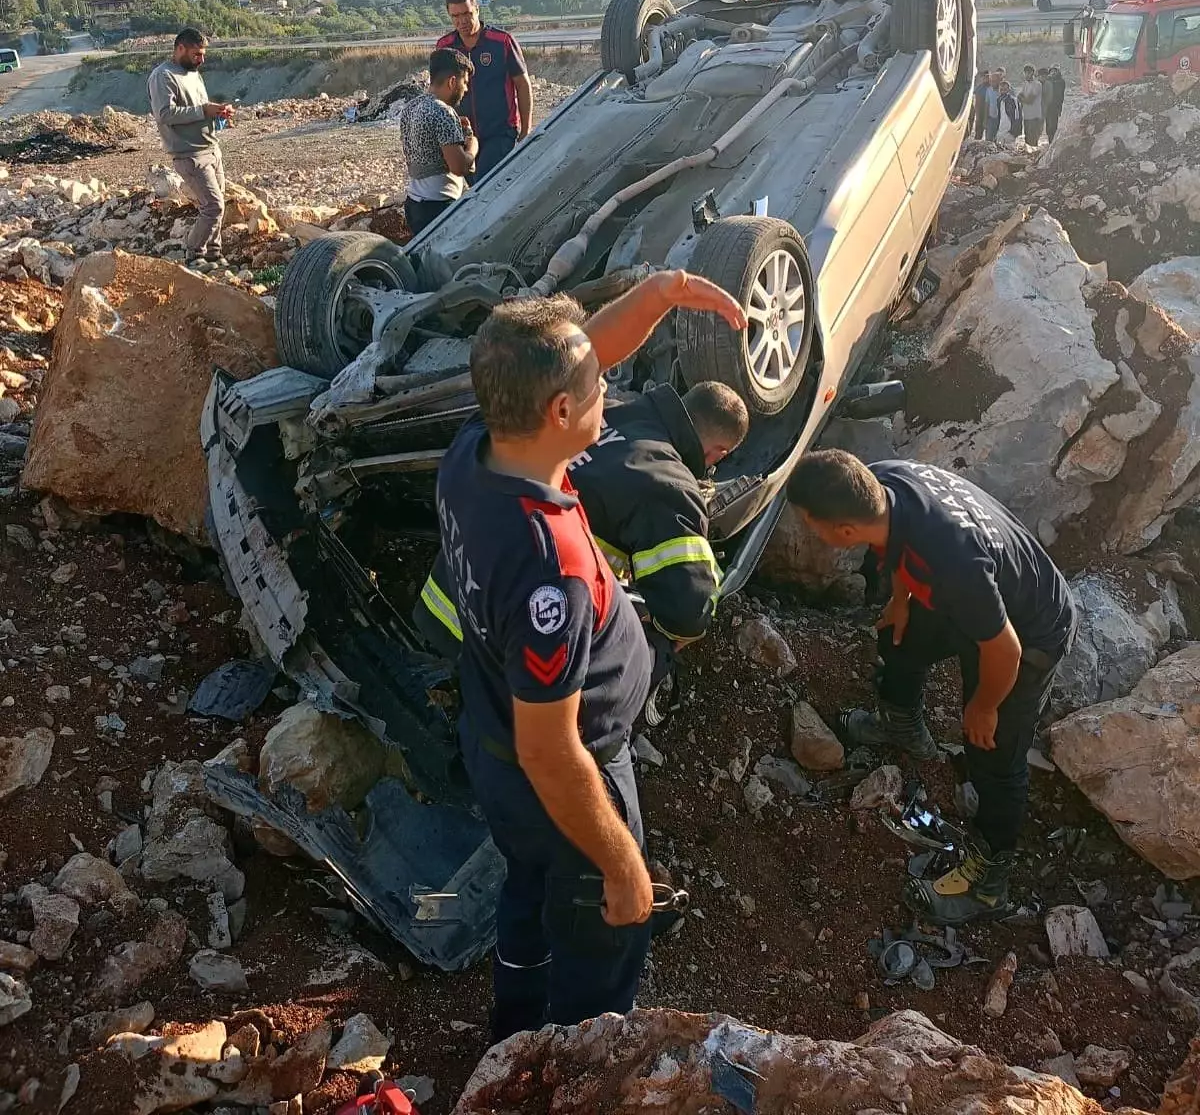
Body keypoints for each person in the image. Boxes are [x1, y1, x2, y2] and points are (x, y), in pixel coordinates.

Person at [437, 271, 745, 1039]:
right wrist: (621, 864)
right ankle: (576, 1056)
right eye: (597, 387)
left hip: (487, 731)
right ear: (563, 411)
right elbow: (553, 753)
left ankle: (512, 1033)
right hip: (565, 769)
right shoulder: (551, 570)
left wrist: (661, 297)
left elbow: (579, 359)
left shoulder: (478, 446)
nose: (610, 394)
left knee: (526, 887)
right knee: (602, 927)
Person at [785, 451, 1076, 925]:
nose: (808, 531)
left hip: (1030, 630)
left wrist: (984, 706)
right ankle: (903, 728)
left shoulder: (954, 561)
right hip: (980, 604)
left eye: (809, 524)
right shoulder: (881, 481)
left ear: (842, 532)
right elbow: (898, 548)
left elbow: (1006, 652)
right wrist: (902, 600)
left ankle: (989, 883)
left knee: (992, 750)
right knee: (898, 635)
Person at [418, 378, 750, 718]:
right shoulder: (670, 486)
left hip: (447, 598)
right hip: (503, 648)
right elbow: (687, 612)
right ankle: (596, 730)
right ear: (719, 453)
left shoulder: (601, 407)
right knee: (656, 641)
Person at [148, 28, 233, 265]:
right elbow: (165, 114)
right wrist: (204, 110)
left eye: (203, 54)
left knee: (218, 204)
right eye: (196, 54)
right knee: (213, 206)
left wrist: (218, 114)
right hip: (189, 154)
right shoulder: (162, 76)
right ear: (180, 49)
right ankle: (194, 254)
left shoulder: (194, 74)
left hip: (211, 148)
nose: (201, 59)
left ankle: (214, 254)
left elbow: (200, 108)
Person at [438, 0, 533, 178]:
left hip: (500, 132)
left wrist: (526, 130)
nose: (462, 21)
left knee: (487, 180)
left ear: (477, 10)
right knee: (475, 185)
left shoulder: (501, 41)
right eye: (455, 16)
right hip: (463, 135)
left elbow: (522, 85)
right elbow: (440, 91)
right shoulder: (445, 46)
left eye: (467, 13)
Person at [399, 46, 478, 234]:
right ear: (452, 81)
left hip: (414, 203)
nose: (466, 89)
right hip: (439, 207)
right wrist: (472, 144)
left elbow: (427, 145)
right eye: (464, 82)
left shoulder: (411, 108)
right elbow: (459, 167)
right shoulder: (443, 112)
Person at [1017, 63, 1044, 149]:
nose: (1026, 75)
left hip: (1035, 116)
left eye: (1028, 72)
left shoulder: (1037, 84)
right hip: (1026, 115)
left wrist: (1023, 99)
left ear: (1032, 73)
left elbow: (1030, 100)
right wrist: (1024, 99)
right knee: (1027, 138)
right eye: (1025, 73)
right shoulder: (1025, 84)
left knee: (1033, 139)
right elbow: (1019, 97)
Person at [1042, 64, 1066, 142]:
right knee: (1048, 125)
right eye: (1052, 71)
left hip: (1056, 106)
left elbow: (1061, 95)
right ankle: (1050, 140)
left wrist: (1060, 108)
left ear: (1058, 72)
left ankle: (1053, 140)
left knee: (1054, 125)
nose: (1053, 73)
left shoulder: (1061, 81)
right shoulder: (1047, 81)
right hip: (1047, 106)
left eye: (1055, 71)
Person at [982, 71, 1003, 143]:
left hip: (1002, 120)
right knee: (989, 140)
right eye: (991, 81)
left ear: (999, 81)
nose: (992, 83)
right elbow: (987, 105)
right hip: (991, 118)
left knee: (1000, 140)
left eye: (994, 81)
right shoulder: (989, 90)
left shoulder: (1004, 90)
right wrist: (985, 119)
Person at [970, 66, 990, 141]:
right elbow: (973, 96)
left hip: (989, 111)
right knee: (978, 129)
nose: (986, 78)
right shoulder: (979, 87)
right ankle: (977, 141)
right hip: (979, 110)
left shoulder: (992, 87)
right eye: (984, 77)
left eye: (987, 77)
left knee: (989, 129)